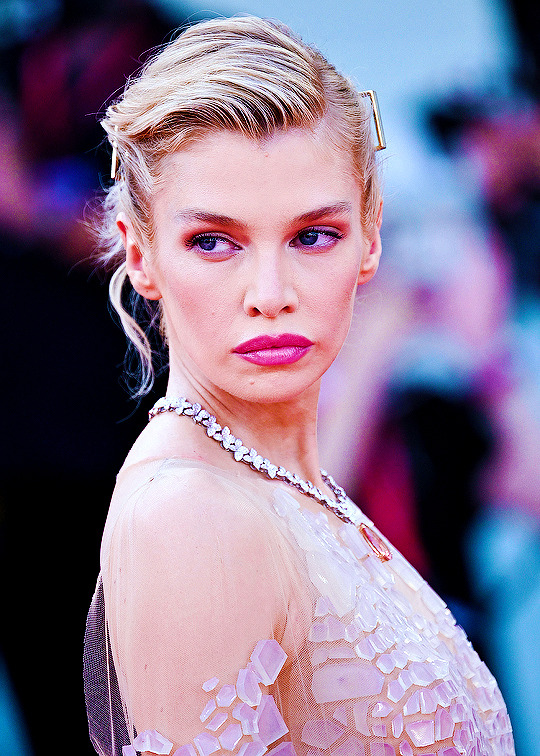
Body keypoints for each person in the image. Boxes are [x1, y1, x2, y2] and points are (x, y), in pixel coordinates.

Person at [83, 16, 515, 756]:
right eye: (213, 242)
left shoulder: (288, 483)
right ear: (141, 255)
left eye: (313, 235)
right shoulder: (190, 510)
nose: (271, 294)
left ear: (370, 237)